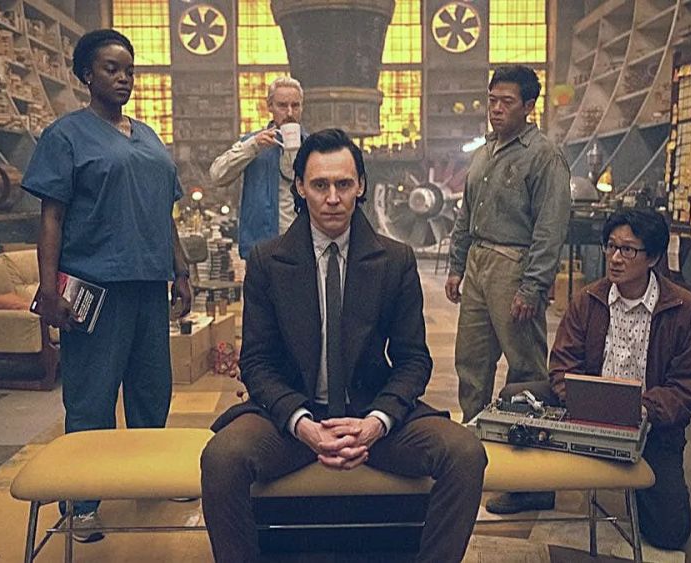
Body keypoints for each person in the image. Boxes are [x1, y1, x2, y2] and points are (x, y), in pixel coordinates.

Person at [200, 129, 487, 563]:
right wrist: (302, 424)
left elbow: (412, 360)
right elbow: (256, 362)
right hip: (291, 420)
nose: (332, 198)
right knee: (222, 458)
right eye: (320, 185)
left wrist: (376, 421)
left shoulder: (395, 260)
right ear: (300, 187)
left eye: (343, 184)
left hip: (370, 412)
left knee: (465, 453)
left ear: (361, 186)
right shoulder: (267, 261)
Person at [23, 29, 192, 542]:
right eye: (111, 69)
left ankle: (147, 477)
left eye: (129, 70)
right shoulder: (66, 136)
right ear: (86, 75)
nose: (123, 78)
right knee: (92, 395)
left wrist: (181, 270)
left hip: (148, 284)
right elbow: (52, 216)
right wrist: (48, 288)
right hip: (94, 287)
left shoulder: (149, 137)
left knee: (151, 390)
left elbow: (165, 213)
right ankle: (82, 502)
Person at [445, 64, 570, 514]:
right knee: (471, 363)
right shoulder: (485, 152)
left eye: (507, 102)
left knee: (526, 372)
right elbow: (465, 214)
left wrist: (533, 287)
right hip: (479, 261)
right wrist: (457, 265)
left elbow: (550, 228)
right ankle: (472, 458)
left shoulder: (544, 156)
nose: (496, 109)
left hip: (515, 265)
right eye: (492, 100)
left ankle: (531, 478)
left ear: (529, 106)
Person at [547, 208, 691, 550]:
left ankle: (641, 486)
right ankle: (532, 493)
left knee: (669, 535)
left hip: (652, 429)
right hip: (588, 416)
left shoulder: (686, 311)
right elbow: (562, 365)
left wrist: (641, 409)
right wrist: (582, 400)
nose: (615, 258)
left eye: (628, 250)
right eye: (611, 246)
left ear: (653, 257)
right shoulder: (587, 300)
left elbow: (689, 386)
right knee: (519, 396)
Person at [210, 76, 305, 259]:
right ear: (270, 106)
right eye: (282, 105)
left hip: (302, 249)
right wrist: (253, 146)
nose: (290, 113)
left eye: (295, 105)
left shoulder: (312, 146)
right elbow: (217, 175)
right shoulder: (254, 143)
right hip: (261, 250)